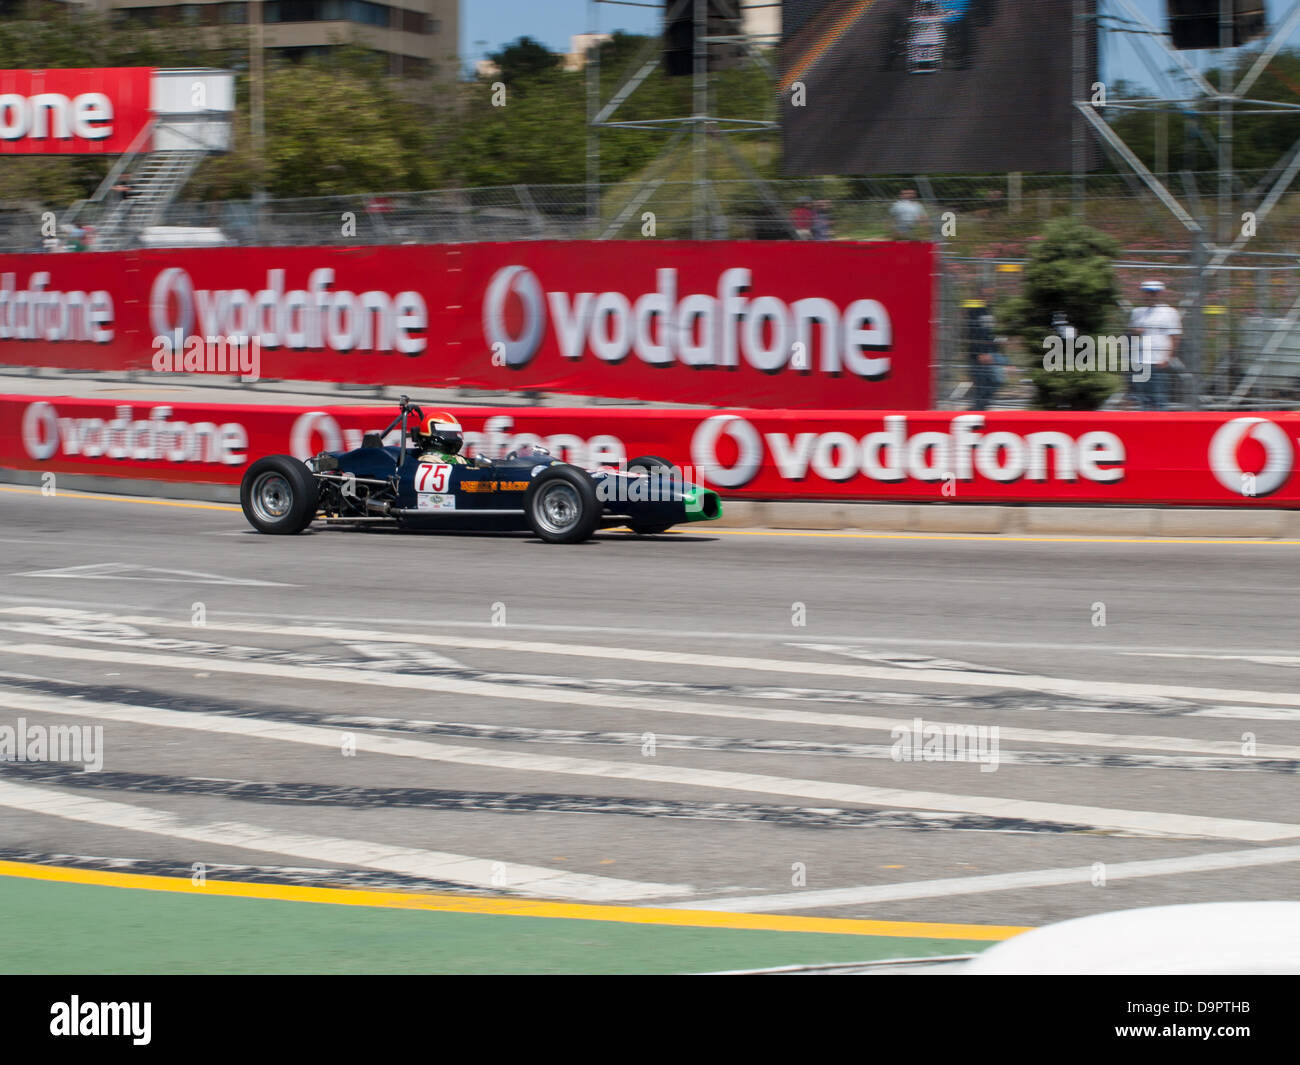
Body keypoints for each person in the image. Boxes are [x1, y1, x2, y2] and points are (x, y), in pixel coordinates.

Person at [1128, 280, 1182, 410]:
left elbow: (1175, 337)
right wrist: (1135, 332)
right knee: (1141, 399)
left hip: (1157, 361)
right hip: (1139, 361)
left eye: (1153, 293)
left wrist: (1167, 357)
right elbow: (1132, 336)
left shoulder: (1169, 312)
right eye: (1147, 293)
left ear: (1160, 294)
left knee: (1159, 399)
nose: (1150, 296)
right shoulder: (1137, 312)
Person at [967, 304, 1002, 410]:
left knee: (994, 381)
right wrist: (980, 353)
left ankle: (979, 408)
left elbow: (990, 332)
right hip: (980, 354)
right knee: (983, 384)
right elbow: (974, 332)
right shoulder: (976, 310)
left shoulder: (990, 309)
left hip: (990, 352)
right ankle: (977, 410)